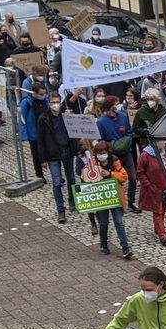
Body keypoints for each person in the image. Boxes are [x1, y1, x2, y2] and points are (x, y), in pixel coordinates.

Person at [80, 140, 133, 259]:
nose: (102, 154)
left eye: (104, 152)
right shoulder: (92, 163)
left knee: (119, 223)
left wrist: (110, 174)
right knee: (103, 223)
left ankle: (125, 247)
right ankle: (103, 245)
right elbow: (86, 180)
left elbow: (124, 177)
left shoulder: (114, 161)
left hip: (115, 198)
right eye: (99, 152)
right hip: (102, 199)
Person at [35, 90, 76, 223]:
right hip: (52, 154)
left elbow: (74, 132)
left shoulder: (66, 115)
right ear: (49, 103)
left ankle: (72, 201)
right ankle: (61, 210)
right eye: (53, 103)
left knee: (71, 179)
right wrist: (42, 159)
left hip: (67, 151)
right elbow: (40, 140)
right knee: (57, 182)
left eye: (57, 102)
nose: (55, 105)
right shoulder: (43, 118)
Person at [98, 97, 139, 210]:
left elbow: (129, 132)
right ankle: (117, 202)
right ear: (110, 106)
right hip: (113, 156)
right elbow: (101, 141)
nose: (118, 105)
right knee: (115, 178)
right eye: (116, 103)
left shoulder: (123, 116)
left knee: (133, 177)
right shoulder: (101, 122)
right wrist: (112, 146)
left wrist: (126, 141)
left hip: (126, 152)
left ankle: (131, 201)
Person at [135, 141, 166, 246]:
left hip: (164, 187)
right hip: (154, 189)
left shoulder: (164, 153)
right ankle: (162, 235)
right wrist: (149, 186)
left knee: (162, 209)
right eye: (162, 141)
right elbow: (140, 173)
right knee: (157, 211)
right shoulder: (145, 155)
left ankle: (158, 228)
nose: (165, 143)